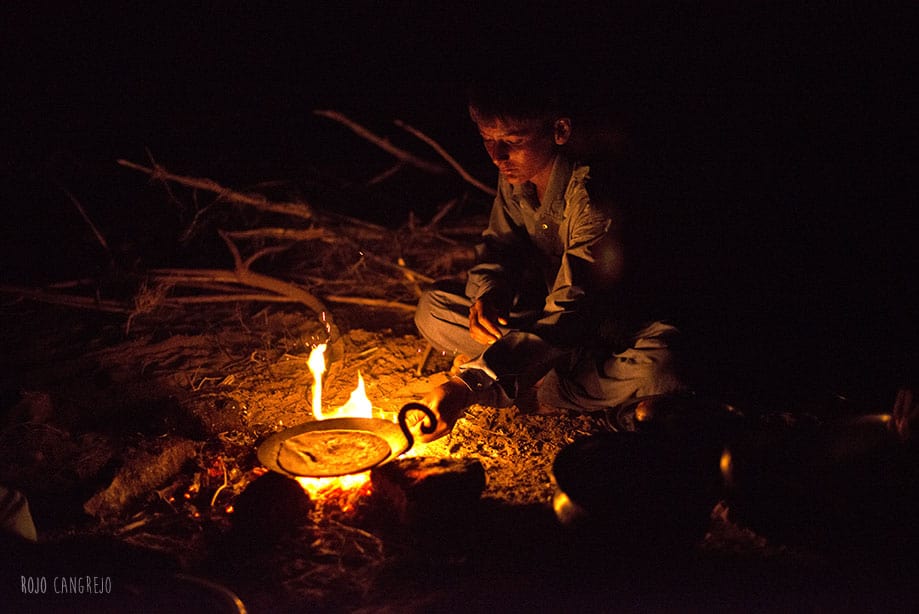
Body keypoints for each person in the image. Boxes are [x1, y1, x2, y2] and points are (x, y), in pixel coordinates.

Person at [411, 74, 689, 442]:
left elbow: (572, 312)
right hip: (550, 321)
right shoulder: (516, 174)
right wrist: (490, 291)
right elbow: (500, 247)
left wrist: (468, 384)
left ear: (559, 130)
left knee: (665, 362)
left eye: (512, 141)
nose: (497, 157)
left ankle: (546, 387)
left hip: (615, 329)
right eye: (487, 140)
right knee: (432, 309)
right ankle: (547, 374)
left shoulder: (592, 196)